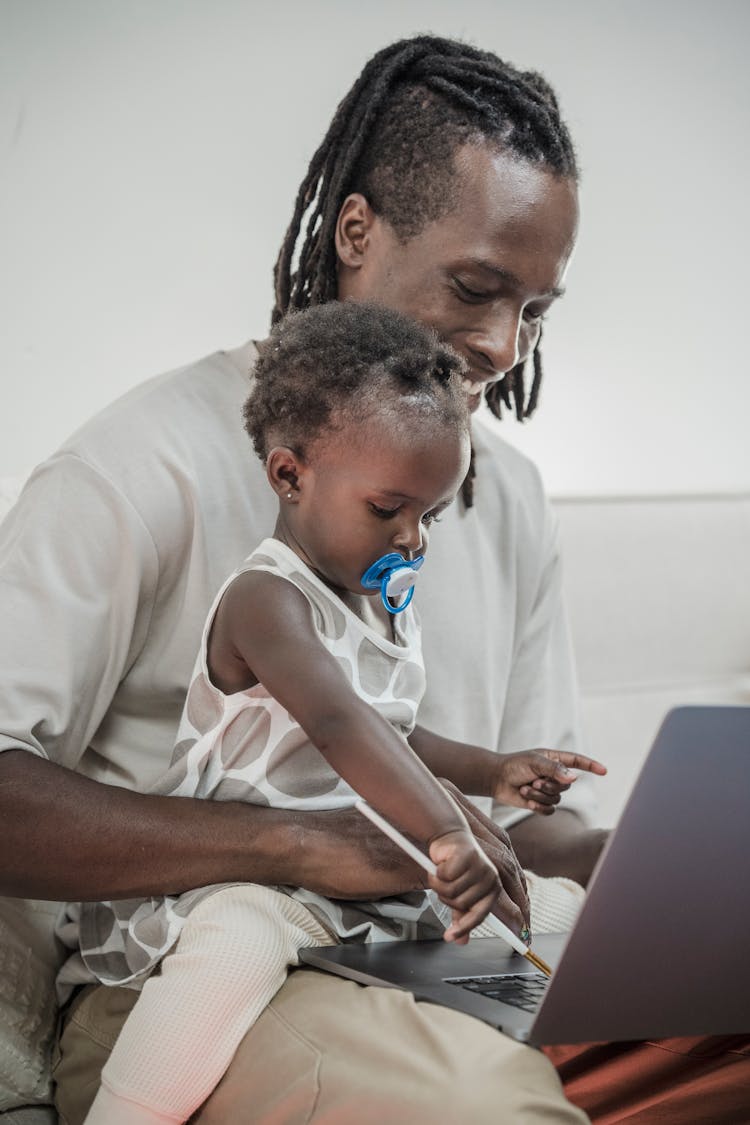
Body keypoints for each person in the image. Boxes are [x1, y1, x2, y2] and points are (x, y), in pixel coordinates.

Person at [2, 31, 746, 1125]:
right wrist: (300, 845)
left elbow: (507, 819)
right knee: (495, 1112)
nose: (501, 343)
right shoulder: (142, 462)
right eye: (477, 286)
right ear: (358, 231)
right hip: (198, 979)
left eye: (534, 310)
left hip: (415, 952)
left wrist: (647, 868)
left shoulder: (510, 495)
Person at [77, 301, 604, 1125]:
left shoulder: (375, 604)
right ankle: (126, 1110)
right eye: (388, 509)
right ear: (290, 475)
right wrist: (446, 830)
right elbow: (340, 727)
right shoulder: (265, 601)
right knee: (238, 945)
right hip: (243, 881)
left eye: (429, 515)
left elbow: (397, 733)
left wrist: (489, 770)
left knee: (559, 908)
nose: (414, 540)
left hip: (353, 888)